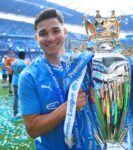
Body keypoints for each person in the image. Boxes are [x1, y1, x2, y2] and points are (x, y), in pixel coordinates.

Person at [18, 8, 95, 150]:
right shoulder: (29, 76)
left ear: (64, 32)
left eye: (55, 31)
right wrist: (69, 106)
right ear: (36, 38)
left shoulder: (85, 65)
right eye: (43, 33)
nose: (50, 38)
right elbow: (32, 129)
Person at [11, 51, 26, 117]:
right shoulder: (23, 63)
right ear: (23, 56)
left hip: (14, 80)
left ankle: (15, 112)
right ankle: (24, 112)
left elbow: (12, 71)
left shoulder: (14, 62)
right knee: (23, 97)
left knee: (15, 97)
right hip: (21, 81)